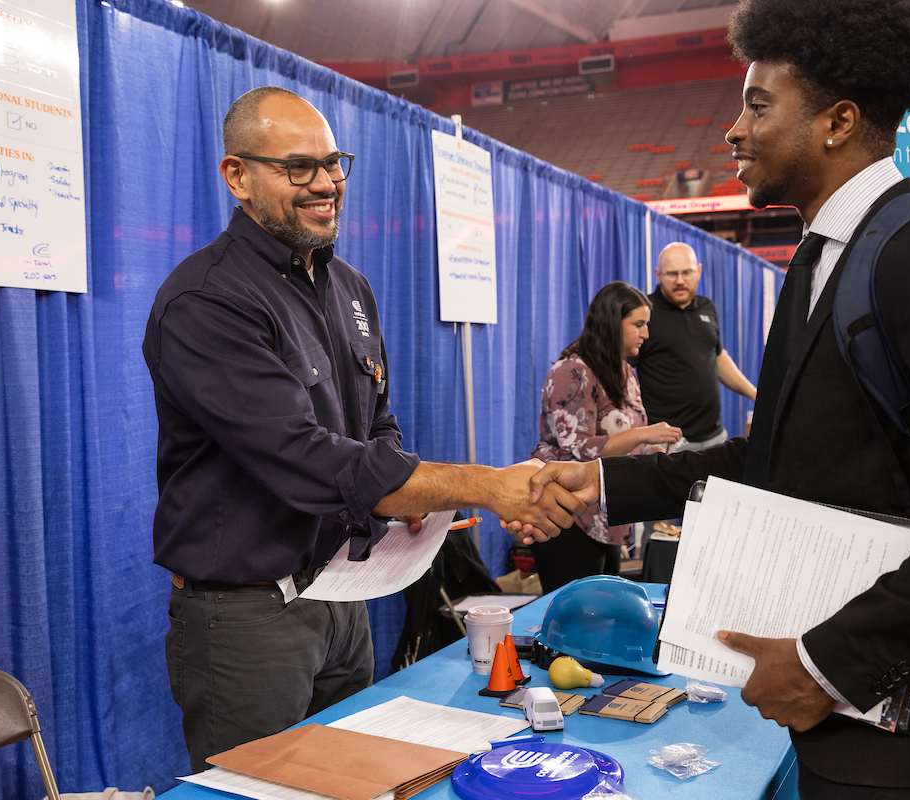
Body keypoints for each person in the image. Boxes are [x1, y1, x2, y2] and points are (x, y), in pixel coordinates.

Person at [518, 0, 910, 796]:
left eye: (757, 103)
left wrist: (828, 664)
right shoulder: (819, 266)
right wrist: (608, 483)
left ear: (838, 121)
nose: (733, 131)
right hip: (843, 723)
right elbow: (777, 455)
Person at [143, 86, 582, 772]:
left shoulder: (351, 287)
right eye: (298, 168)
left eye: (333, 163)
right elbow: (307, 457)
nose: (326, 185)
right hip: (248, 620)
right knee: (260, 791)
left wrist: (416, 500)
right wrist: (485, 486)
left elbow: (374, 426)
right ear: (237, 175)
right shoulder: (207, 301)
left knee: (351, 783)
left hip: (345, 599)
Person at [529, 282, 681, 591]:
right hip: (567, 513)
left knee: (605, 615)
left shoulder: (625, 372)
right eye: (638, 325)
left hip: (607, 512)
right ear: (613, 324)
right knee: (577, 619)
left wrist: (649, 448)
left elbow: (624, 437)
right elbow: (578, 448)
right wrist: (645, 433)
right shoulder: (572, 371)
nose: (646, 334)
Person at [635, 241, 756, 452]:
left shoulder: (707, 307)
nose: (680, 281)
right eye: (672, 274)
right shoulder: (645, 313)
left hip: (715, 437)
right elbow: (622, 371)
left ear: (698, 271)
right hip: (667, 444)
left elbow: (717, 358)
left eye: (687, 272)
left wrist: (756, 394)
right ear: (658, 274)